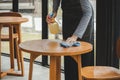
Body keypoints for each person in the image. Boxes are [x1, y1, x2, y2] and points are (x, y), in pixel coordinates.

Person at [46, 0, 94, 80]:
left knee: (83, 59)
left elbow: (88, 13)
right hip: (68, 15)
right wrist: (54, 11)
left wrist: (75, 36)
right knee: (68, 55)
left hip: (83, 19)